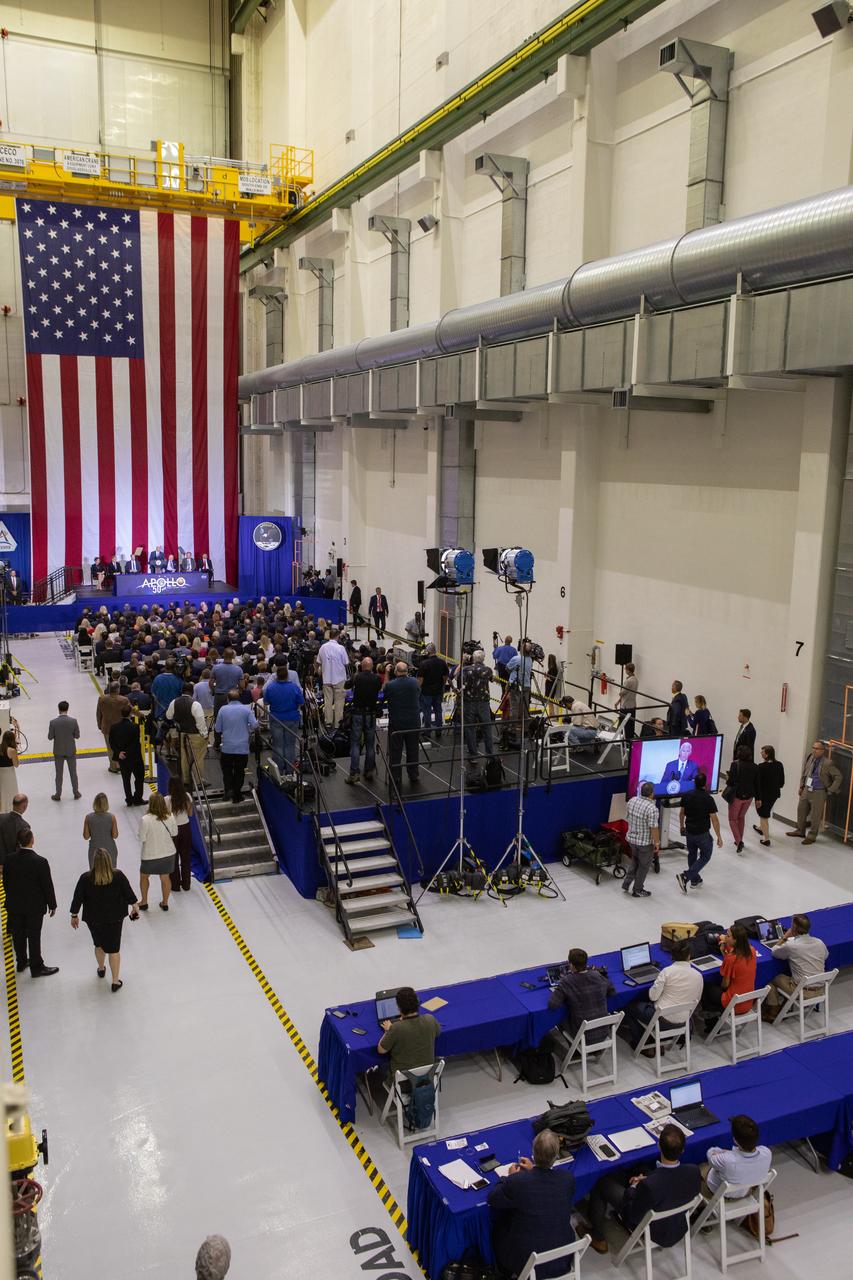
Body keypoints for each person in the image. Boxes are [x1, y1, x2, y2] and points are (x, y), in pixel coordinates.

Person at [583, 1125, 701, 1255]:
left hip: (651, 1227)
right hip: (677, 1224)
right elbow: (670, 1182)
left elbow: (632, 1214)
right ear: (683, 1150)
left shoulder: (650, 1186)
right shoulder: (693, 1171)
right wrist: (647, 1178)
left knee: (601, 1183)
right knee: (641, 1168)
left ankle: (597, 1237)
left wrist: (633, 1187)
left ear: (659, 1146)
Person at [487, 1130, 576, 1279]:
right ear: (556, 1155)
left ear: (533, 1152)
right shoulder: (567, 1179)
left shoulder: (518, 1182)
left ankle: (503, 1272)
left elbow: (493, 1198)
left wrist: (507, 1178)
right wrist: (532, 1170)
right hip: (563, 1257)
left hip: (528, 1262)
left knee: (497, 1229)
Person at [70, 848, 139, 992]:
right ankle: (115, 981)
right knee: (114, 949)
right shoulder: (118, 876)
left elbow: (77, 898)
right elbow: (130, 895)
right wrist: (134, 908)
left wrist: (74, 915)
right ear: (109, 860)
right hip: (115, 918)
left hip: (93, 918)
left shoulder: (85, 878)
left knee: (98, 944)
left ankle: (101, 968)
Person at [622, 940, 703, 1051]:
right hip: (684, 1021)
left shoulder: (667, 972)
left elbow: (653, 997)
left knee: (628, 1006)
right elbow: (697, 1000)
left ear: (672, 955)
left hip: (662, 1020)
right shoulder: (698, 975)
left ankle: (643, 1043)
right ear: (689, 956)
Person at [3, 830, 58, 977]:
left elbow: (5, 883)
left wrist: (12, 897)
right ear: (32, 840)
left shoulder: (8, 860)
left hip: (14, 905)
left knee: (18, 934)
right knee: (34, 936)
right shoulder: (40, 862)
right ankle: (36, 967)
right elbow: (47, 885)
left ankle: (21, 962)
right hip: (34, 907)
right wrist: (52, 904)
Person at [763, 913, 828, 1018]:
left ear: (793, 929)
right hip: (820, 989)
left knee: (772, 979)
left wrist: (784, 937)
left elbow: (774, 952)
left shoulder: (792, 945)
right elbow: (825, 956)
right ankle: (785, 1005)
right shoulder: (820, 942)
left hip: (802, 991)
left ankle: (773, 1010)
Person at [548, 948, 614, 1044]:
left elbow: (553, 1005)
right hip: (603, 1032)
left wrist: (558, 991)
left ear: (571, 965)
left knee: (560, 1018)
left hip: (583, 1036)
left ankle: (575, 1052)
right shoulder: (597, 975)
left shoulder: (567, 982)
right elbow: (612, 992)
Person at [699, 924, 758, 1028]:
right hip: (748, 1002)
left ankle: (712, 1022)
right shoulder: (752, 951)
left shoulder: (731, 959)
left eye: (728, 936)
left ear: (736, 940)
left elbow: (725, 985)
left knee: (706, 986)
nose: (725, 937)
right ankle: (714, 1011)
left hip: (733, 1004)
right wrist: (723, 951)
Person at [785, 739, 842, 846]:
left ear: (822, 750)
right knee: (801, 810)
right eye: (813, 748)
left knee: (815, 815)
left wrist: (830, 789)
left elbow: (838, 777)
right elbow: (805, 772)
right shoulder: (810, 758)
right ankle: (800, 831)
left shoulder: (827, 763)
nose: (814, 750)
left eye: (817, 748)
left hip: (819, 792)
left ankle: (811, 836)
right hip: (807, 789)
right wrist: (801, 786)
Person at [377, 986, 440, 1079]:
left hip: (403, 1082)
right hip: (427, 1077)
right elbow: (437, 1033)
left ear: (399, 1008)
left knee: (382, 1066)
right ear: (417, 1003)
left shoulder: (396, 1028)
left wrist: (388, 1030)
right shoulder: (430, 1019)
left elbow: (381, 1050)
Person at [703, 1115, 772, 1199]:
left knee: (701, 1167)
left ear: (735, 1140)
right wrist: (730, 1153)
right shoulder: (767, 1153)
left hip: (720, 1195)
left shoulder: (727, 1160)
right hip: (746, 1192)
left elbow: (710, 1154)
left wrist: (721, 1151)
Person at [676, 771, 722, 892]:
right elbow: (714, 819)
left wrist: (681, 826)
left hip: (689, 831)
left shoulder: (686, 795)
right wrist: (719, 836)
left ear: (694, 783)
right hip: (702, 833)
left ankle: (695, 880)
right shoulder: (708, 798)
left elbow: (682, 813)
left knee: (692, 854)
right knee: (706, 855)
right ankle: (686, 876)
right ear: (705, 784)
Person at [383, 661, 422, 789]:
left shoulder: (391, 685)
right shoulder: (414, 682)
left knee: (395, 751)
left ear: (396, 671)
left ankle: (395, 776)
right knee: (413, 749)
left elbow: (385, 691)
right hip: (413, 721)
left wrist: (387, 674)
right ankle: (413, 773)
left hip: (397, 723)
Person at [214, 689, 257, 804]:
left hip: (227, 747)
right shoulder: (246, 709)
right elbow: (255, 725)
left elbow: (217, 729)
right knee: (239, 771)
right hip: (242, 748)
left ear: (228, 699)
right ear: (239, 698)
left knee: (227, 769)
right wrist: (248, 730)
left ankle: (228, 789)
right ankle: (238, 795)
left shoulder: (223, 710)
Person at [138, 792, 179, 911]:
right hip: (168, 853)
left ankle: (144, 901)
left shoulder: (145, 819)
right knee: (165, 878)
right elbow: (175, 833)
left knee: (144, 877)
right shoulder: (170, 816)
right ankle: (165, 903)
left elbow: (142, 838)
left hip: (150, 855)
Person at [263, 664, 304, 776]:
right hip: (292, 718)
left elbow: (266, 702)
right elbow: (301, 702)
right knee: (290, 745)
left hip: (276, 719)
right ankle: (290, 770)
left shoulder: (270, 688)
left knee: (278, 744)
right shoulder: (294, 687)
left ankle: (279, 770)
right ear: (287, 675)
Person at [346, 656, 382, 785]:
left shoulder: (357, 677)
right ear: (371, 666)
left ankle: (354, 773)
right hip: (370, 714)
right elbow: (380, 688)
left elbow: (347, 685)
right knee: (370, 744)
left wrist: (356, 673)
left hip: (357, 713)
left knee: (355, 743)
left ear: (361, 666)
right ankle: (369, 770)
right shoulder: (376, 679)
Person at [166, 682, 209, 784]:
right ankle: (198, 780)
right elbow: (200, 722)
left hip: (182, 734)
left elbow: (168, 716)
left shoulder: (174, 702)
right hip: (195, 735)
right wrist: (205, 734)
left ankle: (185, 779)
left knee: (184, 757)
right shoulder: (195, 704)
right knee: (197, 757)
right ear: (192, 692)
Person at [622, 782, 659, 898]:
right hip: (644, 843)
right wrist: (657, 843)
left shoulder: (632, 801)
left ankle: (626, 883)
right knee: (643, 867)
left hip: (632, 840)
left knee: (635, 861)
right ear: (652, 794)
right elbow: (654, 828)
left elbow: (628, 816)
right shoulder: (652, 809)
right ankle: (638, 890)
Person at [460, 649, 495, 768]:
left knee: (470, 729)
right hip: (483, 703)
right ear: (483, 659)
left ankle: (473, 756)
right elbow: (491, 679)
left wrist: (463, 662)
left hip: (469, 702)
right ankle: (490, 755)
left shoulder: (466, 670)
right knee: (487, 728)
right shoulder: (488, 670)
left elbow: (458, 680)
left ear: (473, 658)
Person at [109, 704, 146, 807]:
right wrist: (127, 753)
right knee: (139, 778)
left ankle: (129, 799)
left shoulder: (114, 727)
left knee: (126, 779)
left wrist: (119, 753)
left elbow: (112, 742)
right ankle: (137, 798)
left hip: (122, 758)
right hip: (135, 758)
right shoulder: (134, 727)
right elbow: (135, 743)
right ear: (130, 714)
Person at [726, 744, 758, 853]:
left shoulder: (735, 765)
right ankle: (740, 838)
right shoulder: (755, 766)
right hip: (749, 796)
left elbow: (730, 782)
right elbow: (756, 783)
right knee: (741, 817)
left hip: (737, 796)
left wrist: (727, 778)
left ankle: (739, 841)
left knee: (732, 819)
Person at [48, 700, 81, 800]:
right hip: (71, 751)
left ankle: (58, 794)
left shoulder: (53, 722)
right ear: (67, 709)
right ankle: (76, 792)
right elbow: (77, 736)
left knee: (59, 774)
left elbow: (50, 737)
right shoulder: (73, 721)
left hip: (58, 751)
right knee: (73, 773)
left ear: (58, 709)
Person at [317, 627, 350, 728]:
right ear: (338, 636)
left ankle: (328, 722)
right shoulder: (340, 648)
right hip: (339, 679)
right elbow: (346, 662)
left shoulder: (323, 647)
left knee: (327, 701)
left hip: (327, 678)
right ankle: (337, 724)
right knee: (339, 702)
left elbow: (318, 661)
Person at [753, 745, 785, 846]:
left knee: (763, 815)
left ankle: (766, 839)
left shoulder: (761, 767)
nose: (761, 753)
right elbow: (781, 782)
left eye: (762, 752)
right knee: (765, 811)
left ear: (766, 754)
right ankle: (761, 827)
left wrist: (758, 797)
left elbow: (758, 783)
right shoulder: (779, 764)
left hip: (763, 795)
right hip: (774, 794)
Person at [417, 643, 449, 743]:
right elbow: (445, 678)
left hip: (426, 692)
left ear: (428, 652)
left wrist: (418, 691)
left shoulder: (424, 664)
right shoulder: (442, 662)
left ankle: (427, 731)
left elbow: (420, 680)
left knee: (427, 711)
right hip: (438, 691)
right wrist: (441, 686)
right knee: (438, 710)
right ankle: (439, 730)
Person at [96, 681, 131, 773]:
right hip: (121, 728)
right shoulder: (124, 700)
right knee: (123, 746)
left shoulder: (102, 699)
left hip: (107, 727)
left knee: (110, 748)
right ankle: (123, 765)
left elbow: (98, 714)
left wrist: (100, 725)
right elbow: (129, 713)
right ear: (118, 689)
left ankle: (113, 767)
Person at [167, 775, 194, 892]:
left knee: (174, 858)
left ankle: (175, 885)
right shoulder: (187, 796)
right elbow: (190, 814)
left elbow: (166, 817)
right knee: (186, 857)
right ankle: (186, 884)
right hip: (186, 829)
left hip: (173, 831)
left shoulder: (167, 799)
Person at [83, 792, 119, 870]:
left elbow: (86, 836)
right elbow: (115, 835)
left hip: (95, 850)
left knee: (95, 873)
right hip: (109, 849)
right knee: (111, 872)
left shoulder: (88, 817)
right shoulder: (112, 817)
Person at [0, 794, 30, 865]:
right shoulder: (24, 826)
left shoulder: (1, 818)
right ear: (25, 806)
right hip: (11, 866)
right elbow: (23, 851)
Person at [616, 662, 638, 739]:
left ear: (628, 670)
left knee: (624, 724)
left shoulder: (628, 681)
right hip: (632, 705)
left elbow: (622, 692)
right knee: (631, 725)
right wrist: (618, 701)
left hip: (626, 705)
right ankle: (629, 740)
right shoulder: (635, 679)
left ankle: (622, 739)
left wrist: (619, 695)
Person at [0, 728, 19, 812]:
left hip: (1, 773)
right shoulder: (12, 750)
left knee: (2, 792)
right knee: (11, 792)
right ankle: (10, 810)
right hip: (9, 773)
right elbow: (16, 764)